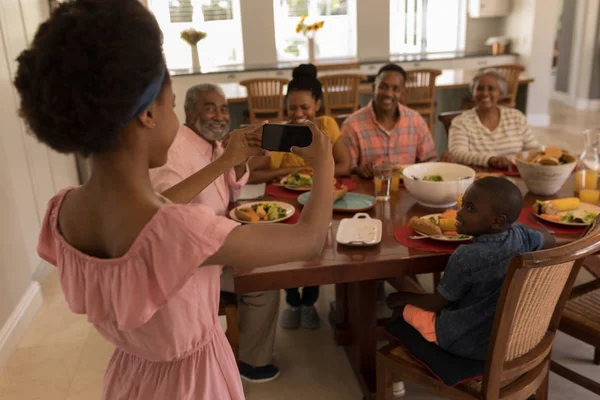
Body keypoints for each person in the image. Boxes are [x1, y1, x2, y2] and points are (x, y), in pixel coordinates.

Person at [18, 1, 334, 399]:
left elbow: (142, 228)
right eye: (171, 105)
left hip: (128, 379)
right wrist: (324, 165)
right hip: (193, 384)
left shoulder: (60, 211)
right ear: (149, 113)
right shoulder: (180, 229)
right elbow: (308, 240)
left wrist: (227, 161)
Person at [149, 83, 282, 383]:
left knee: (269, 255)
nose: (220, 116)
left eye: (224, 109)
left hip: (220, 240)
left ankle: (235, 343)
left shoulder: (214, 143)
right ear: (188, 112)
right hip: (193, 261)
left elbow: (234, 187)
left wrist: (242, 156)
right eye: (210, 107)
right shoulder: (174, 150)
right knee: (264, 279)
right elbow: (162, 210)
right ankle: (251, 363)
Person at [386, 177, 555, 360]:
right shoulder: (521, 235)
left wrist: (404, 297)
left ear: (497, 221)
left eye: (470, 209)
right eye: (463, 204)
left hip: (465, 341)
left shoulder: (465, 256)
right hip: (510, 338)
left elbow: (439, 303)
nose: (459, 213)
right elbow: (550, 240)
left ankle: (395, 380)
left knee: (400, 309)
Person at [248, 63, 352, 183]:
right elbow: (250, 174)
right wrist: (300, 170)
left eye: (305, 107)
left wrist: (302, 171)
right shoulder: (277, 133)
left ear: (317, 105)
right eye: (292, 108)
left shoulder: (327, 125)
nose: (298, 114)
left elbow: (345, 167)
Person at [340, 63, 439, 179]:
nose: (388, 94)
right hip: (369, 189)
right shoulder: (352, 125)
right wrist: (359, 170)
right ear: (373, 88)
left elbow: (430, 160)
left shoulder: (416, 121)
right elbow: (346, 167)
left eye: (396, 89)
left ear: (403, 93)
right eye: (383, 87)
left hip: (408, 190)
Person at [448, 69, 540, 169]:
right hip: (480, 177)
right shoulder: (461, 122)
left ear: (501, 93)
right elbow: (458, 153)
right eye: (479, 89)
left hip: (515, 175)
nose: (485, 93)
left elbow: (533, 149)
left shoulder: (517, 117)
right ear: (473, 93)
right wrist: (490, 160)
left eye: (491, 89)